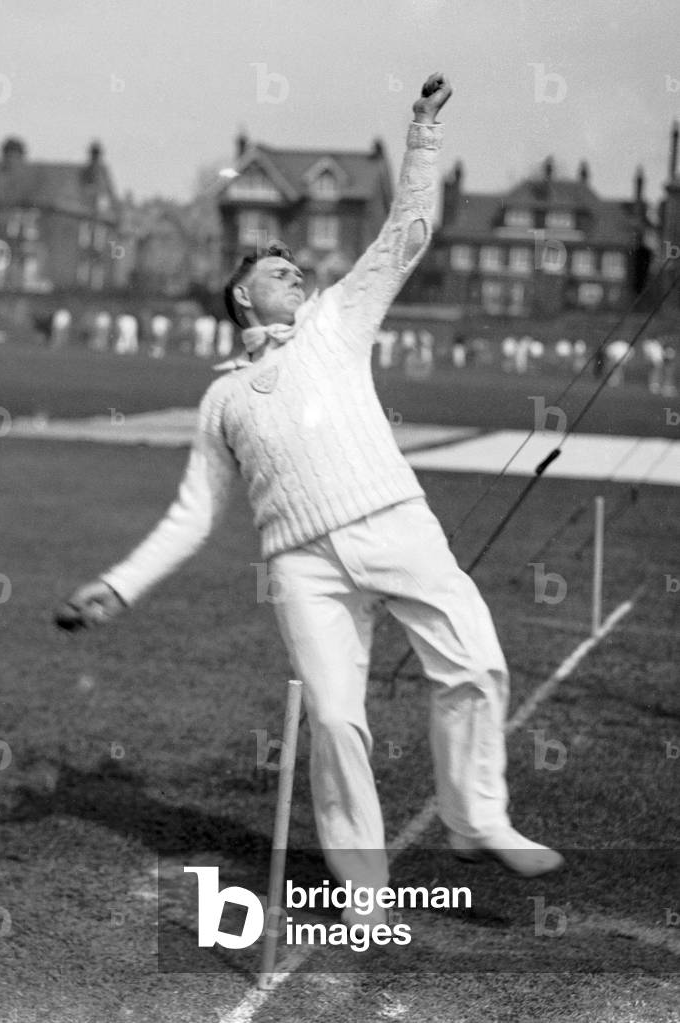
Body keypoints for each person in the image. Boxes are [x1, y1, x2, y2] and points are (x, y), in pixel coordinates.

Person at [55, 73, 563, 923]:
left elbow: (407, 233)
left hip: (395, 522)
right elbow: (192, 514)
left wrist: (422, 133)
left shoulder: (336, 319)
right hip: (301, 564)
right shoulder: (221, 399)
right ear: (239, 297)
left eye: (297, 268)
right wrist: (117, 586)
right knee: (334, 718)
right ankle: (365, 890)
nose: (296, 274)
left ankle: (477, 818)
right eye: (278, 271)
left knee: (473, 663)